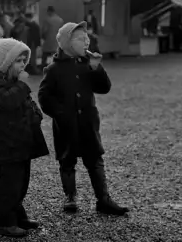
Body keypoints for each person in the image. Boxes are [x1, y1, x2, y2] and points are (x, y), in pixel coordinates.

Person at [38, 21, 129, 216]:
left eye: (87, 37)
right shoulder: (53, 69)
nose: (87, 41)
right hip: (66, 126)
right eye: (80, 38)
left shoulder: (88, 64)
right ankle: (70, 197)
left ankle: (103, 199)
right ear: (67, 43)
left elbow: (104, 88)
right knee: (67, 161)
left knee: (95, 159)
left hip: (88, 122)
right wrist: (61, 114)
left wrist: (97, 68)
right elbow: (44, 98)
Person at [0, 38, 49, 238]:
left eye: (24, 60)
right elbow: (7, 102)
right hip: (7, 142)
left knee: (21, 182)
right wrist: (22, 86)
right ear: (5, 61)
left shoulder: (13, 82)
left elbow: (25, 103)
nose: (23, 64)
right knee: (10, 184)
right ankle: (4, 221)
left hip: (20, 141)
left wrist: (36, 115)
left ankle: (17, 215)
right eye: (18, 60)